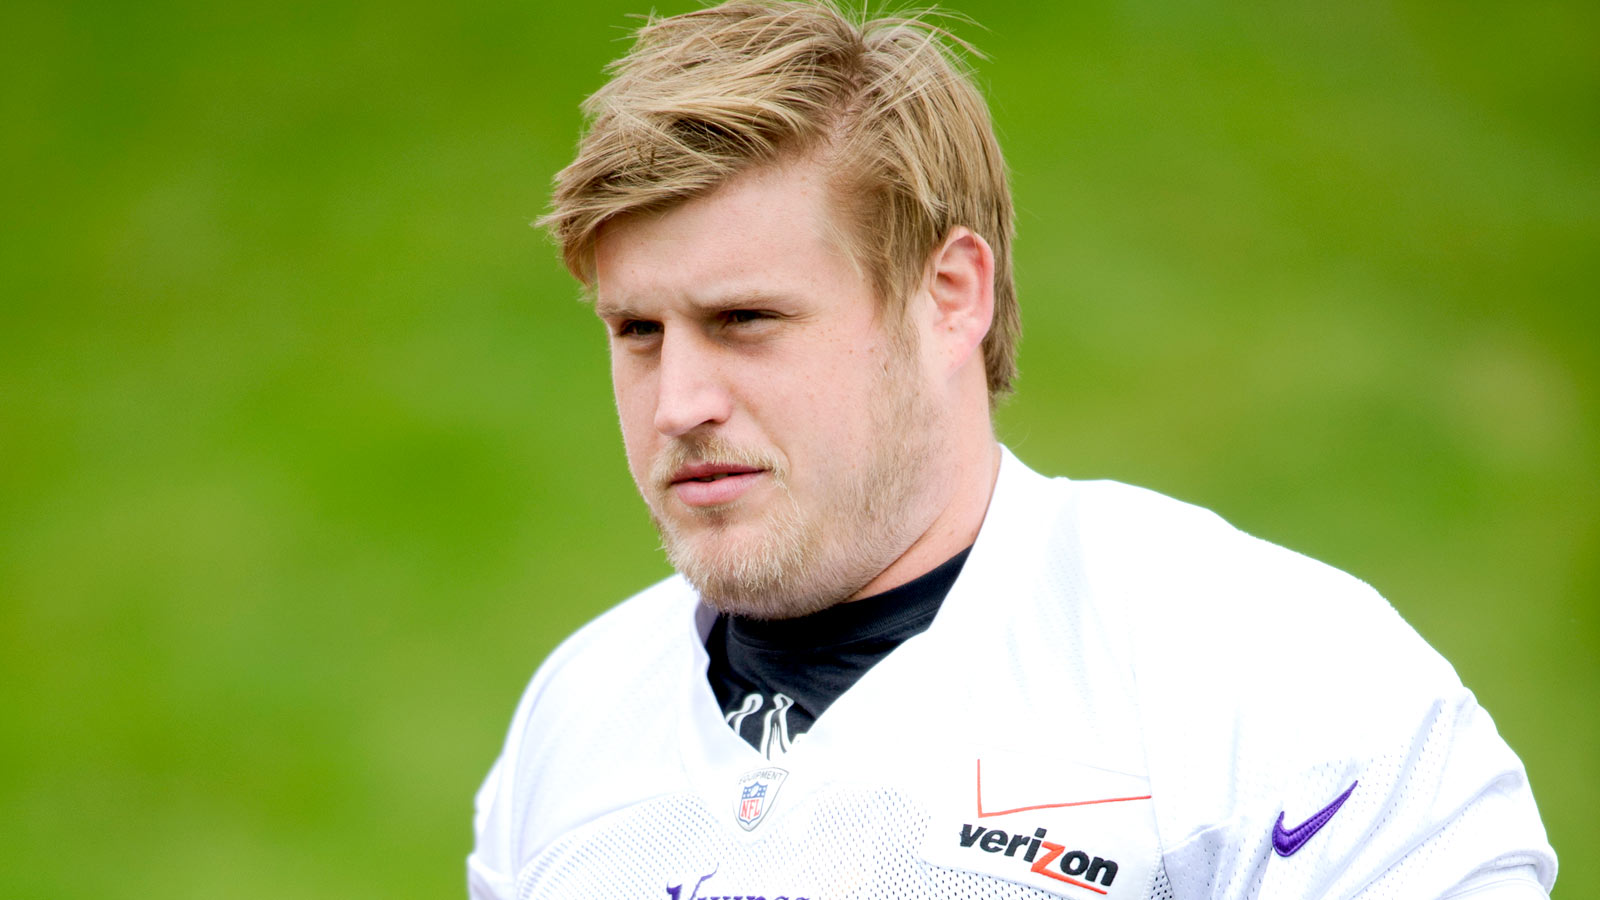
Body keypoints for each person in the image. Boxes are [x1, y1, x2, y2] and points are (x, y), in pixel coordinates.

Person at [469, 2, 1557, 897]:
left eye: (746, 320)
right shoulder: (574, 720)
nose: (678, 403)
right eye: (637, 331)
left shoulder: (1278, 680)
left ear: (950, 295)